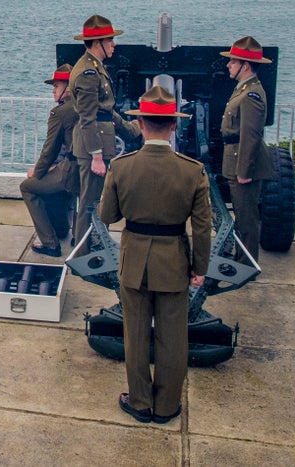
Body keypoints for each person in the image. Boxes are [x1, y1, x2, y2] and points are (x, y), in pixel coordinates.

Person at [99, 85, 211, 425]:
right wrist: (200, 268)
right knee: (173, 337)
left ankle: (140, 402)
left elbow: (107, 216)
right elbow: (203, 228)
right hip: (174, 261)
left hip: (134, 260)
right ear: (173, 125)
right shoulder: (192, 170)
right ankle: (166, 406)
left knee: (135, 335)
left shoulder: (122, 166)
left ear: (142, 124)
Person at [69, 15, 140, 242]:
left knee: (97, 202)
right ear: (97, 42)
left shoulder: (95, 68)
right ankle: (82, 253)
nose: (113, 44)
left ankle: (97, 247)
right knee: (89, 204)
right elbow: (88, 118)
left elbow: (106, 112)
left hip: (99, 142)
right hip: (94, 146)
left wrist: (132, 129)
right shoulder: (88, 73)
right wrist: (96, 156)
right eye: (109, 40)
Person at [220, 36, 274, 261]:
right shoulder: (244, 88)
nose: (228, 65)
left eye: (232, 62)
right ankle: (242, 257)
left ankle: (247, 262)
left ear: (246, 65)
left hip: (241, 163)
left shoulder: (251, 94)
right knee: (242, 214)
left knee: (246, 216)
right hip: (234, 158)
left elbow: (251, 135)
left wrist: (244, 171)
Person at [21, 64, 80, 256]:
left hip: (70, 168)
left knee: (28, 186)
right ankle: (75, 236)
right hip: (86, 169)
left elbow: (50, 150)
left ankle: (49, 243)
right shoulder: (87, 106)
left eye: (56, 86)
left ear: (68, 89)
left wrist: (37, 172)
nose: (53, 90)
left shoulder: (60, 113)